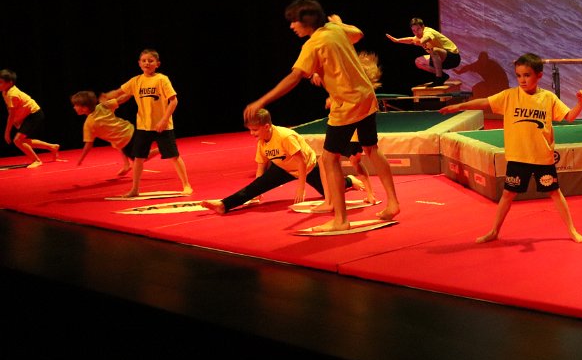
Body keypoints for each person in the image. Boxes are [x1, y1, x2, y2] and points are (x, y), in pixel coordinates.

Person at [244, 0, 399, 232]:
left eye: (294, 21)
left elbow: (294, 77)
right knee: (371, 149)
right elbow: (357, 34)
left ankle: (340, 219)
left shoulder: (313, 44)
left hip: (347, 105)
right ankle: (393, 202)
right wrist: (339, 24)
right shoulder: (335, 29)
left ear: (306, 20)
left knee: (328, 159)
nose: (291, 26)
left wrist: (262, 101)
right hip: (366, 97)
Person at [440, 52, 582, 243]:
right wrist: (458, 107)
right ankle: (494, 231)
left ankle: (572, 230)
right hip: (518, 157)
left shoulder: (548, 98)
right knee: (508, 194)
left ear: (539, 75)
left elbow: (569, 117)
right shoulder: (509, 96)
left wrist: (580, 104)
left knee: (554, 193)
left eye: (527, 75)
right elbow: (484, 102)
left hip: (542, 158)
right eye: (518, 75)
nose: (522, 80)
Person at [199, 108, 370, 215]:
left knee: (328, 194)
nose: (252, 134)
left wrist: (301, 187)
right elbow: (261, 165)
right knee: (252, 188)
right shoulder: (262, 141)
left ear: (267, 126)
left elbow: (301, 162)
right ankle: (224, 204)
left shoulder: (285, 136)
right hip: (283, 168)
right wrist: (258, 187)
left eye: (255, 130)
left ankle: (349, 181)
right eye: (250, 130)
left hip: (308, 167)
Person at [102, 49, 193, 197]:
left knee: (174, 156)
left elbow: (174, 101)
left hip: (163, 126)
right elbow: (121, 94)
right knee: (138, 158)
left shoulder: (162, 79)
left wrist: (164, 120)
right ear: (139, 63)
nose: (147, 63)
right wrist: (105, 99)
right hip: (143, 126)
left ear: (157, 64)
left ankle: (186, 185)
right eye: (144, 60)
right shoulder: (136, 81)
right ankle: (135, 189)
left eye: (150, 61)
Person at [71, 90, 156, 176]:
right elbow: (121, 99)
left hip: (125, 138)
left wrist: (81, 158)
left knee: (141, 158)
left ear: (85, 108)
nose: (74, 107)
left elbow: (88, 144)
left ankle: (159, 149)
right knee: (116, 143)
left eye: (76, 105)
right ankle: (126, 165)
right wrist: (131, 92)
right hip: (128, 129)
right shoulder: (102, 106)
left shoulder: (88, 124)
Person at [1, 69, 60, 168]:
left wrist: (7, 133)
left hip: (34, 114)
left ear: (10, 83)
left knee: (17, 140)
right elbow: (10, 108)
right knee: (21, 141)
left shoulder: (12, 94)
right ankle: (52, 147)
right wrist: (16, 121)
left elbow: (11, 115)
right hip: (28, 115)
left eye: (1, 82)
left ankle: (37, 160)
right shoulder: (4, 92)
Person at [386, 18, 461, 87]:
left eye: (418, 29)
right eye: (414, 31)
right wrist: (397, 40)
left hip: (453, 58)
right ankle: (443, 76)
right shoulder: (418, 36)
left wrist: (422, 41)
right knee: (418, 61)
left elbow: (427, 38)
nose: (416, 33)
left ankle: (439, 78)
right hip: (441, 60)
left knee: (434, 50)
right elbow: (411, 40)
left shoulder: (428, 32)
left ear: (423, 27)